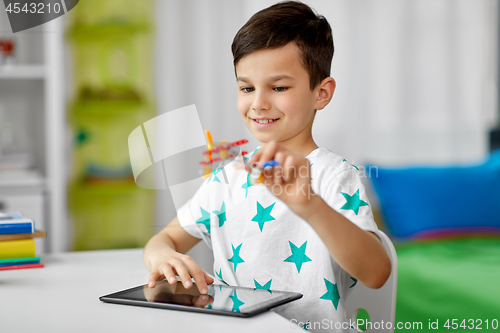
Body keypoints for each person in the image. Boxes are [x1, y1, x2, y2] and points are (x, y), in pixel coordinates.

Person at [143, 1, 391, 331]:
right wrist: (162, 256)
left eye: (278, 87)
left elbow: (377, 273)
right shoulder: (227, 179)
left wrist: (310, 205)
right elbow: (165, 239)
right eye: (247, 87)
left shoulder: (335, 176)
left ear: (321, 93)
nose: (258, 103)